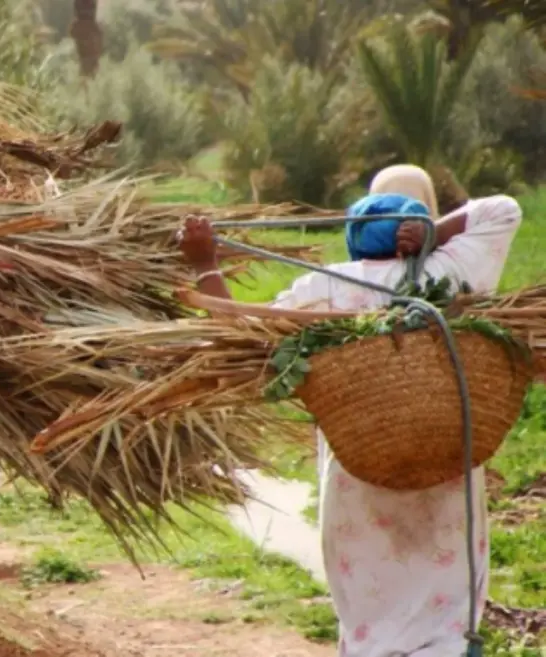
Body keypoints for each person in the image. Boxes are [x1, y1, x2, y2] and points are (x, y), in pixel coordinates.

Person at [177, 163, 523, 657]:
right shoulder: (452, 273)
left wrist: (204, 264)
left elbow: (239, 332)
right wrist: (436, 234)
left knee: (371, 602)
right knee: (445, 597)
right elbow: (503, 209)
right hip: (447, 463)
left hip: (359, 474)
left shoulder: (328, 287)